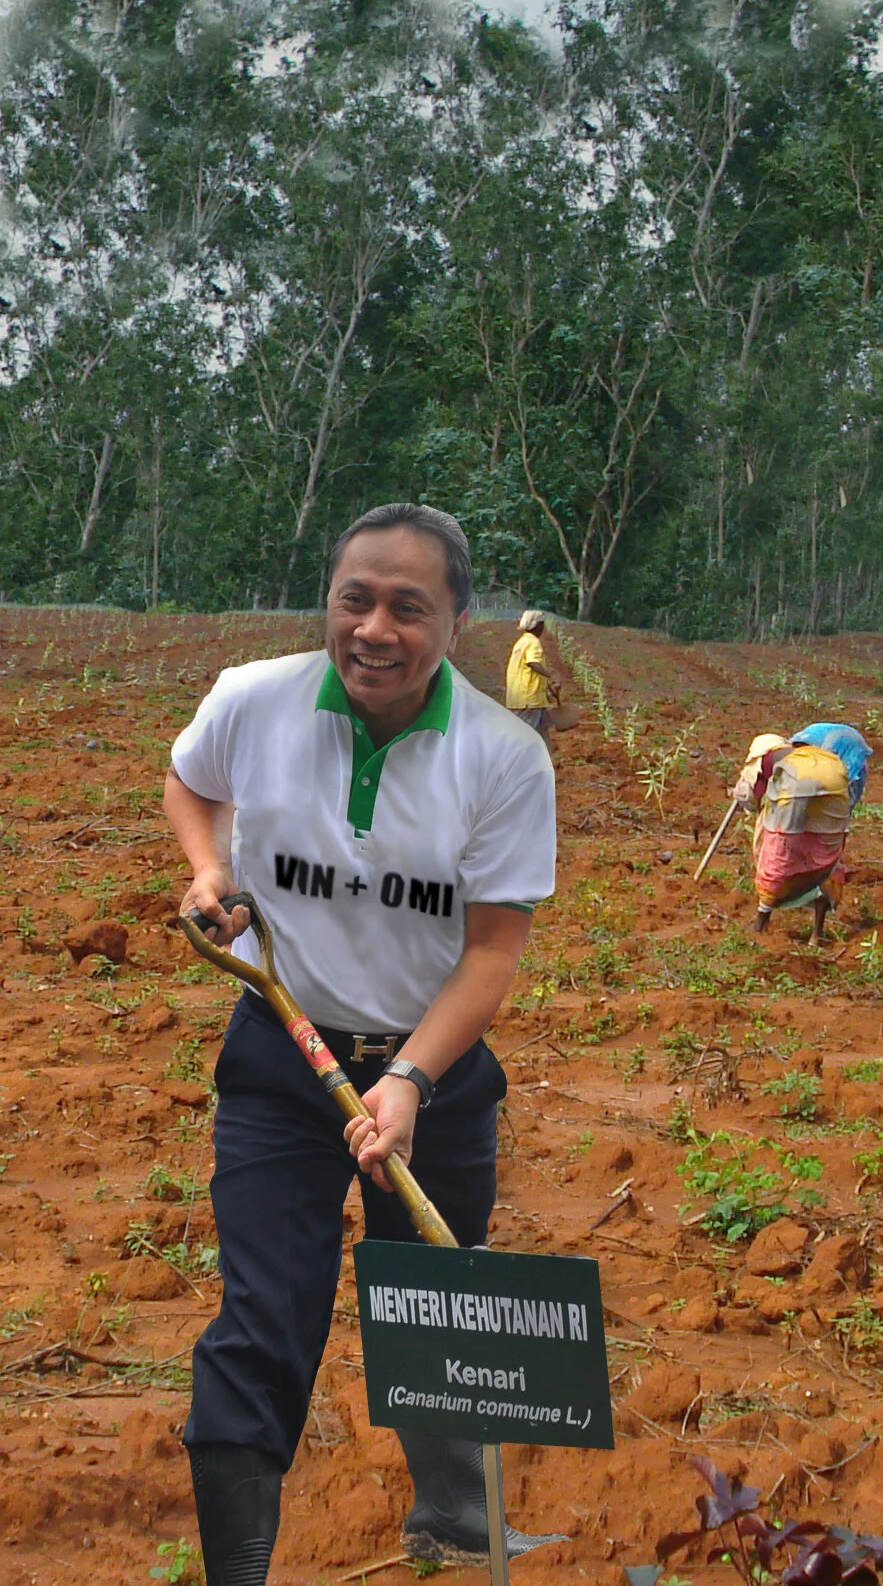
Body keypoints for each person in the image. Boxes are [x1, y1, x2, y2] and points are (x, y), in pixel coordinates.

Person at [164, 503, 556, 1583]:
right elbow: (192, 782)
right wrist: (209, 869)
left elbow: (492, 950)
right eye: (355, 599)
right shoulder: (254, 700)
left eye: (408, 608)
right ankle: (238, 1570)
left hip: (435, 1067)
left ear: (458, 623)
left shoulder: (504, 758)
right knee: (265, 1312)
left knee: (433, 1294)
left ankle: (456, 1520)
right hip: (284, 1055)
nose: (375, 629)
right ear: (329, 602)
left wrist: (414, 1079)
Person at [735, 721, 870, 943]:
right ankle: (817, 933)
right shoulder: (810, 748)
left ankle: (762, 920)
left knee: (778, 850)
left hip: (800, 782)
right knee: (828, 853)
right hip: (840, 777)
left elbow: (750, 798)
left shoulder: (764, 759)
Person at [503, 609, 561, 744]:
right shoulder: (533, 642)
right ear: (538, 625)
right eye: (542, 624)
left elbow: (529, 671)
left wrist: (548, 688)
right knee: (523, 738)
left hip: (523, 698)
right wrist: (551, 676)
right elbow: (533, 663)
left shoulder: (522, 642)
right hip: (529, 700)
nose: (544, 627)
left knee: (542, 732)